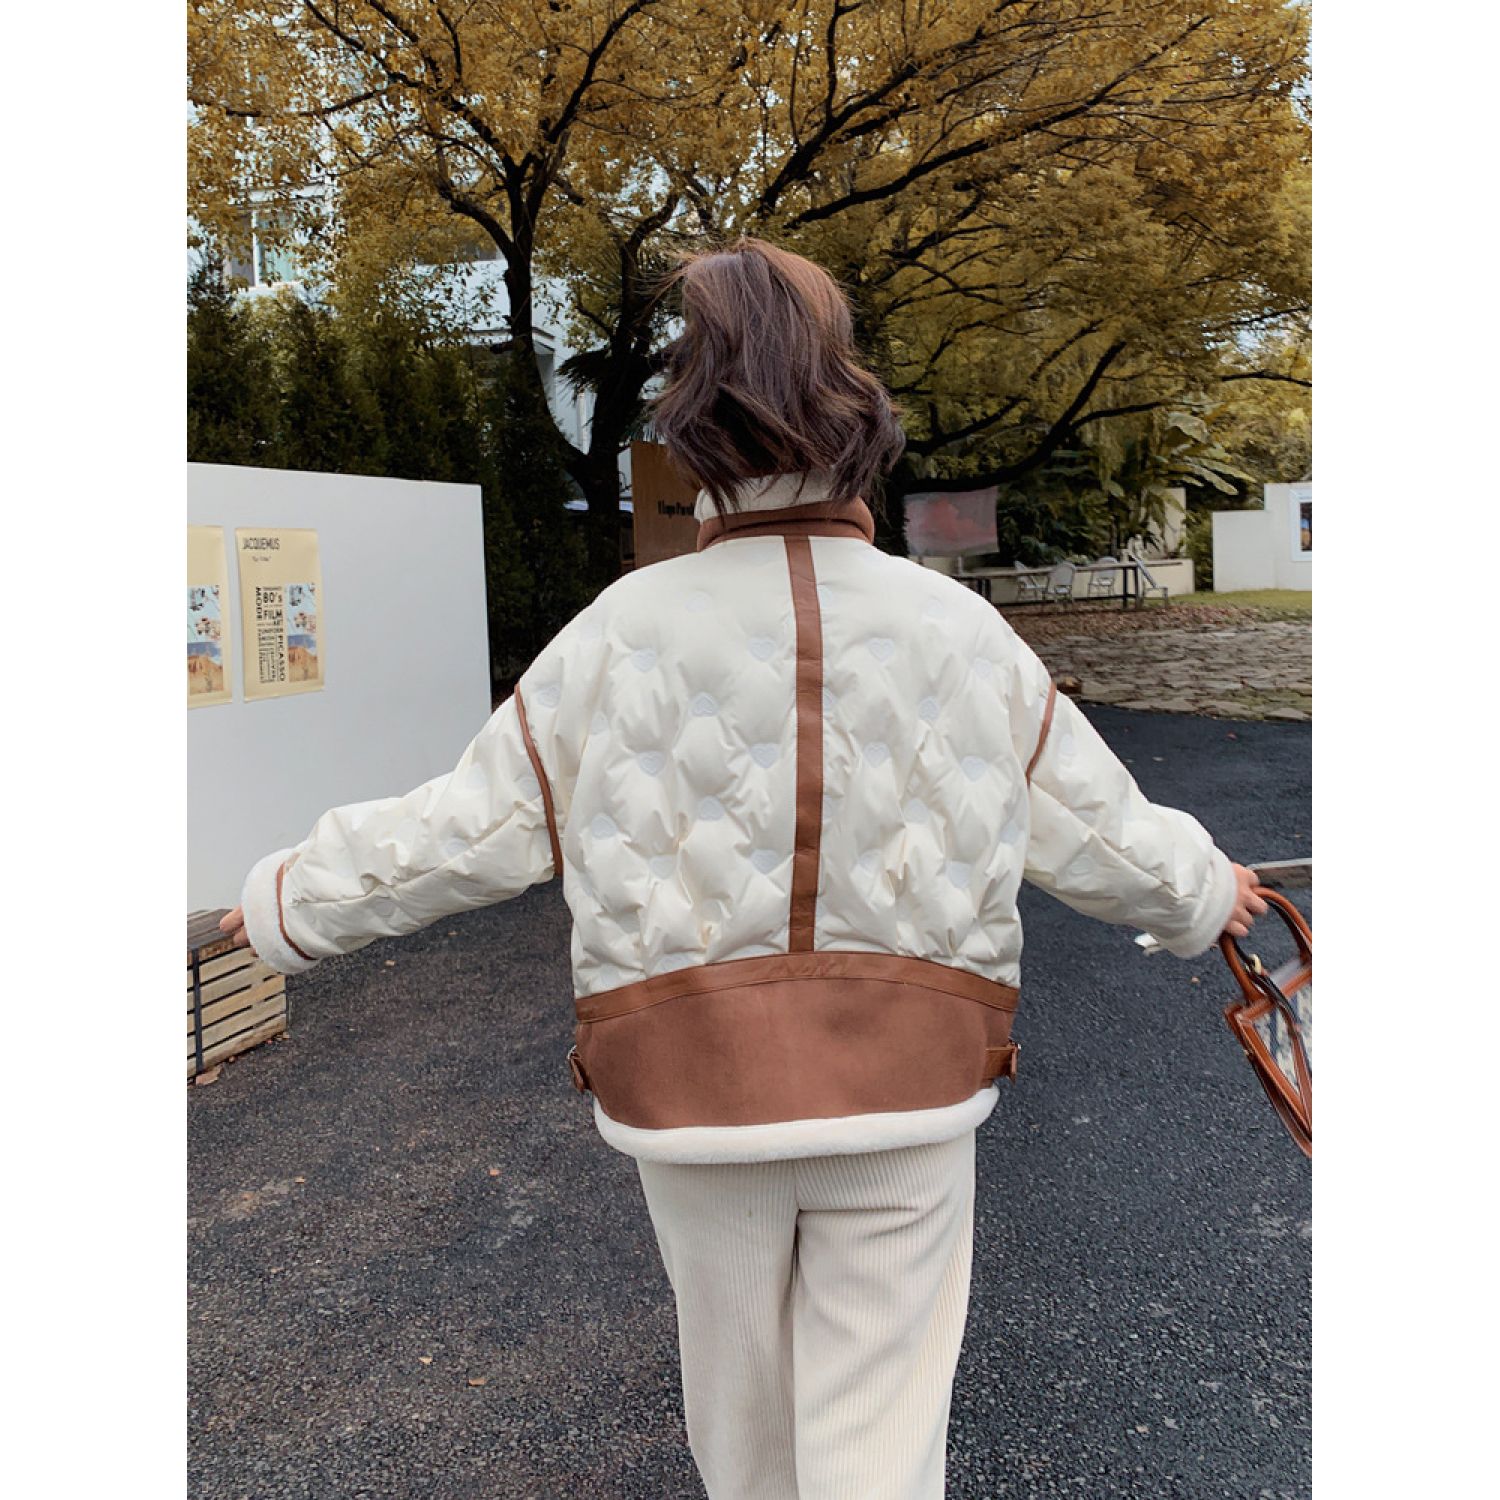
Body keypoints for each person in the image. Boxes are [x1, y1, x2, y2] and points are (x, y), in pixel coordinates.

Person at [220, 236, 1266, 1500]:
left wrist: (287, 904)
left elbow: (472, 827)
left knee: (742, 1428)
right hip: (909, 1078)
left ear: (692, 429)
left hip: (691, 1084)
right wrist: (1209, 892)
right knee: (880, 1437)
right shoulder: (957, 630)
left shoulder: (620, 630)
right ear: (858, 418)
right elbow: (1096, 829)